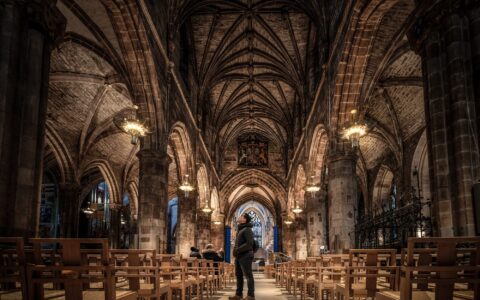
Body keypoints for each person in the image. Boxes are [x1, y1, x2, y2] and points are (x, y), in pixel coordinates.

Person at [229, 213, 255, 300]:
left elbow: (249, 244)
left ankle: (251, 295)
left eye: (241, 216)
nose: (239, 217)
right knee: (239, 275)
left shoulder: (247, 229)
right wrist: (236, 251)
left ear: (245, 219)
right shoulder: (241, 230)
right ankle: (238, 294)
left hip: (246, 255)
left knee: (248, 275)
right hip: (239, 255)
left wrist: (237, 250)